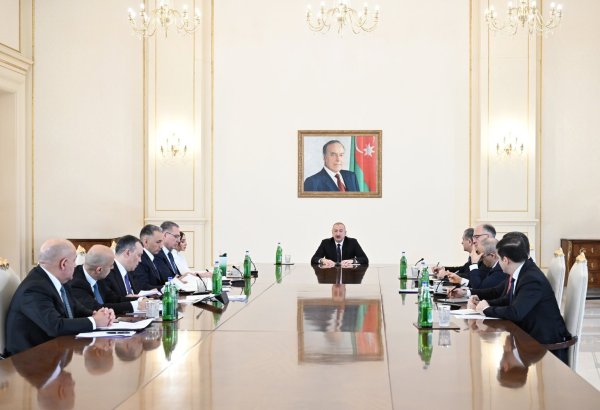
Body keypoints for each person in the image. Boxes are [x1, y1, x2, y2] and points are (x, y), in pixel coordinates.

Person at [470, 233, 572, 364]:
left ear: (505, 260)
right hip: (529, 338)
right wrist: (485, 304)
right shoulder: (523, 270)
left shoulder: (531, 278)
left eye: (499, 259)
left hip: (544, 347)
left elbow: (515, 313)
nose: (498, 263)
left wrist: (487, 309)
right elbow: (508, 299)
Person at [4, 239, 114, 356]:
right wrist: (94, 321)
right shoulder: (34, 288)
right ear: (64, 264)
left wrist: (98, 314)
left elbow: (75, 309)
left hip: (55, 351)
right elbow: (55, 326)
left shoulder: (58, 280)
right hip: (30, 359)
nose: (75, 265)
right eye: (74, 260)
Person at [69, 245, 147, 315]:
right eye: (111, 265)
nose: (113, 268)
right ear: (99, 270)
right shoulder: (76, 283)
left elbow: (114, 299)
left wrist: (139, 300)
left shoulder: (99, 276)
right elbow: (97, 308)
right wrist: (135, 305)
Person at [131, 224, 165, 291]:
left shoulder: (154, 256)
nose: (161, 246)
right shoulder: (140, 259)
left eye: (162, 242)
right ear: (145, 242)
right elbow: (143, 287)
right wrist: (167, 288)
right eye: (158, 242)